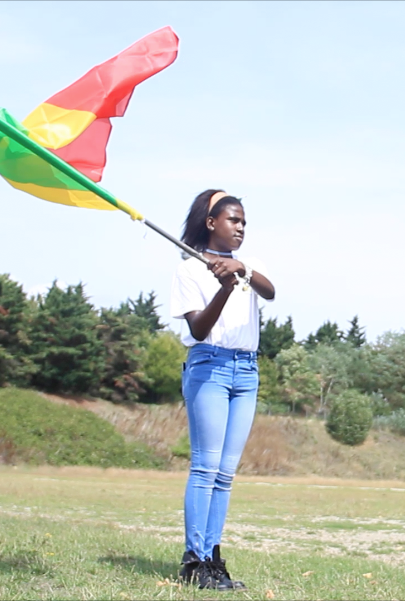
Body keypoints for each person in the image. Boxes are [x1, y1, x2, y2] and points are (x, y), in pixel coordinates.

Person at [169, 189, 275, 590]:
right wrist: (225, 287)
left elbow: (270, 291)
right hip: (209, 366)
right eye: (234, 220)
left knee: (226, 474)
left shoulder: (248, 265)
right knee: (205, 467)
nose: (241, 227)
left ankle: (213, 557)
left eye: (244, 222)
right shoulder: (190, 270)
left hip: (246, 372)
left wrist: (240, 270)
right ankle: (194, 561)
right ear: (211, 223)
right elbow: (197, 328)